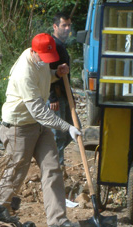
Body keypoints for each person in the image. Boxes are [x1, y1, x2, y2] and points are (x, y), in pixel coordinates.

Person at [0, 33, 81, 227]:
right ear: (34, 52)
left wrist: (56, 73)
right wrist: (67, 127)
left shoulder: (41, 60)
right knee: (15, 174)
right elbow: (40, 112)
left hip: (38, 126)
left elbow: (45, 77)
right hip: (18, 127)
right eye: (43, 58)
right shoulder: (24, 71)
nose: (45, 62)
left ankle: (57, 222)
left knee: (52, 168)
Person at [48, 12, 75, 168]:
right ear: (55, 26)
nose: (67, 29)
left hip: (64, 96)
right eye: (64, 25)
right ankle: (57, 167)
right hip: (56, 97)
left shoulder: (61, 45)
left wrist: (70, 97)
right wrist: (52, 98)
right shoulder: (53, 45)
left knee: (71, 130)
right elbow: (48, 72)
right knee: (58, 134)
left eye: (69, 25)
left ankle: (52, 159)